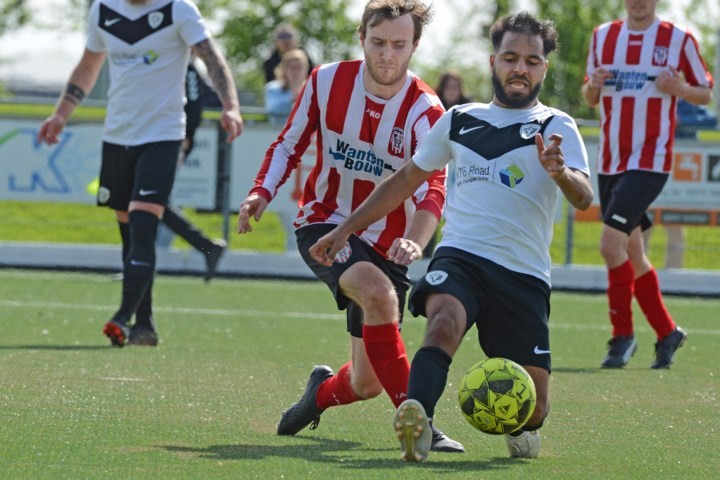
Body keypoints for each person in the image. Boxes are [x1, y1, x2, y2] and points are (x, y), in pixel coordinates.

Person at [309, 11, 594, 462]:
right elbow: (404, 181)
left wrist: (559, 174)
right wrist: (344, 229)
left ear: (544, 67)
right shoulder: (460, 119)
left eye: (532, 61)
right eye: (510, 57)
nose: (520, 68)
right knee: (443, 323)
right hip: (461, 257)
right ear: (492, 61)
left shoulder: (556, 126)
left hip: (522, 275)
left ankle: (520, 425)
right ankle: (416, 417)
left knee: (534, 410)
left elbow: (583, 197)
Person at [238, 0, 463, 455]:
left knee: (365, 383)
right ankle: (422, 424)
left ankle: (317, 395)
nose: (387, 55)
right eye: (378, 43)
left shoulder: (426, 111)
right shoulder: (326, 81)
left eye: (399, 45)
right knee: (378, 294)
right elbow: (288, 143)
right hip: (324, 225)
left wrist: (413, 241)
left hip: (388, 245)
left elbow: (432, 190)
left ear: (415, 46)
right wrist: (261, 191)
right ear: (361, 38)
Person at [38, 0, 244, 348]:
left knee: (144, 224)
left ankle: (121, 316)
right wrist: (61, 113)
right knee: (128, 234)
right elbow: (89, 66)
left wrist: (231, 106)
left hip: (163, 136)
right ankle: (144, 325)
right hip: (117, 138)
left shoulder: (178, 9)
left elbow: (211, 56)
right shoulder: (103, 10)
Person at [582, 0, 713, 369]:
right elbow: (590, 97)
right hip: (610, 163)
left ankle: (622, 337)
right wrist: (592, 85)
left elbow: (705, 92)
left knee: (610, 246)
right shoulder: (603, 36)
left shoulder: (678, 39)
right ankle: (667, 331)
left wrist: (678, 88)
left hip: (650, 162)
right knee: (633, 254)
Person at [264, 48, 310, 125]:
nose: (295, 72)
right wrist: (291, 98)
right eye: (292, 68)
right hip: (277, 133)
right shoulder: (272, 88)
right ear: (284, 70)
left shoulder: (312, 89)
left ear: (306, 69)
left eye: (299, 68)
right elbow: (271, 109)